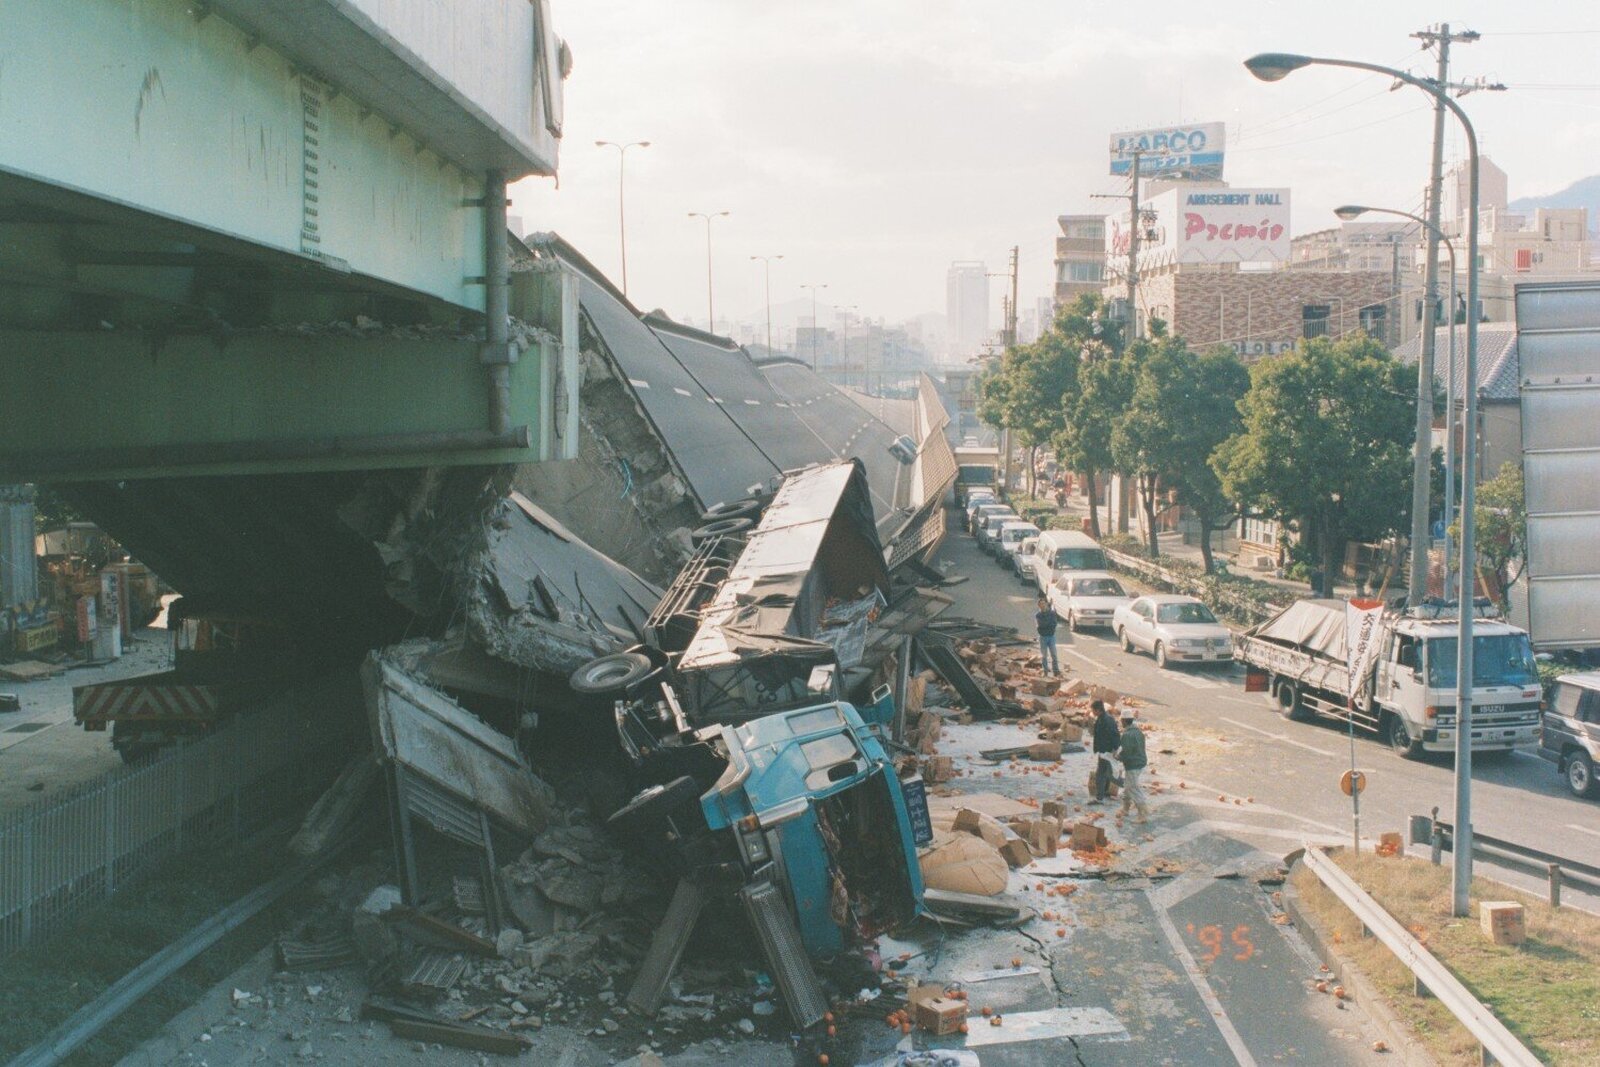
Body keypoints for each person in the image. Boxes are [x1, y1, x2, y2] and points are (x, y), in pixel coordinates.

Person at [1116, 711, 1149, 823]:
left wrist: (1117, 757)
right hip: (1140, 761)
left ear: (1124, 721)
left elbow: (1127, 753)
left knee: (1132, 788)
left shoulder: (1127, 735)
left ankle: (1142, 814)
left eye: (1121, 721)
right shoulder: (1138, 732)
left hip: (1132, 764)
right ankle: (1125, 809)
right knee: (1127, 785)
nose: (1121, 723)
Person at [1090, 699, 1120, 803]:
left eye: (1093, 710)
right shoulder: (1105, 718)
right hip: (1106, 750)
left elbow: (1114, 735)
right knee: (1106, 771)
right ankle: (1105, 791)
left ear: (1098, 710)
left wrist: (1114, 749)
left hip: (1106, 751)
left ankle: (1099, 798)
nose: (1092, 712)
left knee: (1100, 773)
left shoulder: (1105, 720)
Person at [1034, 596, 1061, 675]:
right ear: (1038, 606)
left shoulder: (1052, 613)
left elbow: (1054, 624)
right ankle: (1045, 671)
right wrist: (1047, 625)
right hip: (1043, 637)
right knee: (1044, 656)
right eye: (1040, 604)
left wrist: (1045, 625)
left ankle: (1056, 671)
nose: (1042, 605)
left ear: (1046, 604)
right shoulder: (1038, 615)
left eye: (1043, 604)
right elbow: (1039, 626)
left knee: (1054, 655)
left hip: (1051, 636)